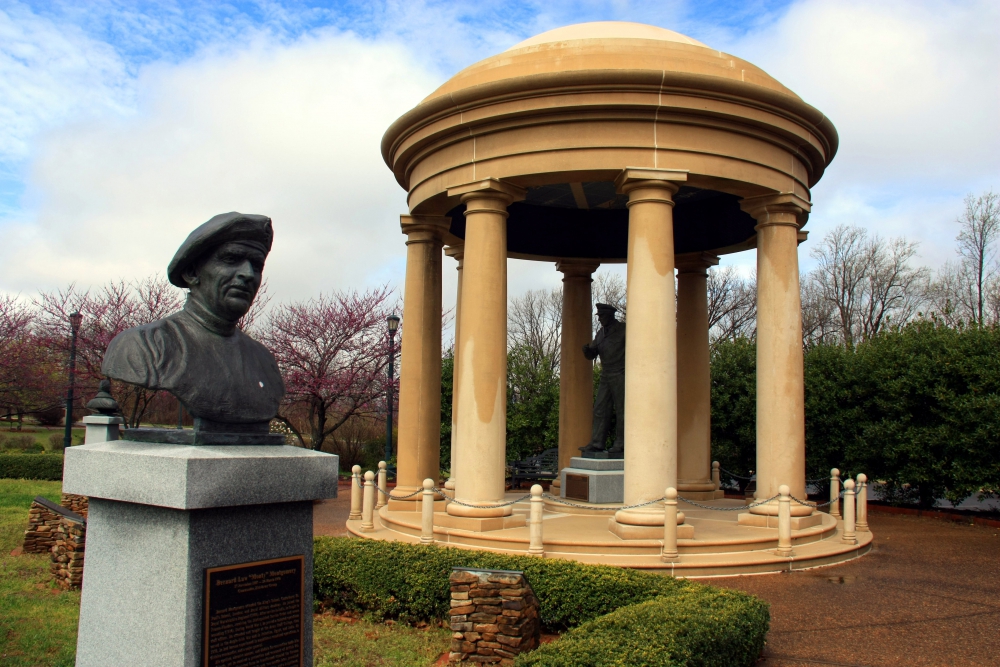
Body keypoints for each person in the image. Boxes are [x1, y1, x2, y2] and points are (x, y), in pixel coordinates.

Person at [102, 212, 284, 427]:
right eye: (231, 259)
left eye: (257, 266)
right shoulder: (143, 345)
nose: (248, 274)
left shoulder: (263, 360)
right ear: (191, 272)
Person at [579, 303, 626, 455]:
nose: (600, 319)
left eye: (602, 316)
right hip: (606, 374)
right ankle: (597, 443)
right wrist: (587, 351)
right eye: (598, 317)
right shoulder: (600, 333)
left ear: (611, 315)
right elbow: (592, 354)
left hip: (620, 373)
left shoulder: (624, 330)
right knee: (600, 409)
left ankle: (621, 444)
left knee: (622, 410)